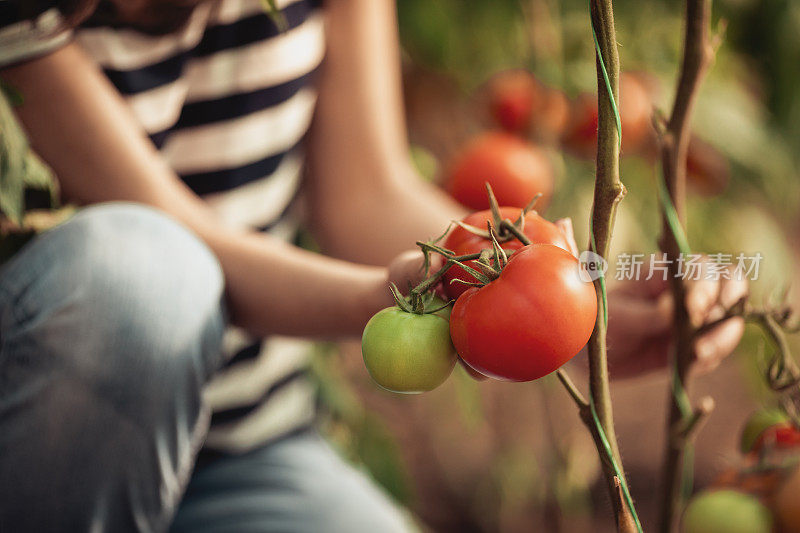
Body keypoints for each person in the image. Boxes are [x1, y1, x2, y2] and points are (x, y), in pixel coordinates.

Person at [0, 0, 747, 531]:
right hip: (54, 443)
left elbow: (369, 193)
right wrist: (396, 297)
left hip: (243, 445)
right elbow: (183, 244)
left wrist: (587, 289)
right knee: (140, 277)